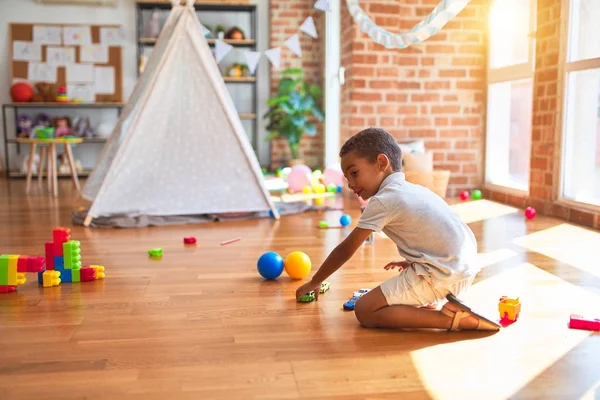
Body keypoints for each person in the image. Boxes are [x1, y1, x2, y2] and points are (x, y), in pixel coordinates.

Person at [295, 127, 500, 331]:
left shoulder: (384, 200)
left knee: (365, 310)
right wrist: (412, 260)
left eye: (354, 173)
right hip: (466, 267)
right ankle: (433, 304)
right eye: (347, 178)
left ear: (382, 163)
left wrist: (315, 281)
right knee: (397, 301)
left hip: (444, 274)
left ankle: (451, 320)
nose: (350, 184)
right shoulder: (413, 189)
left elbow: (346, 249)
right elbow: (437, 233)